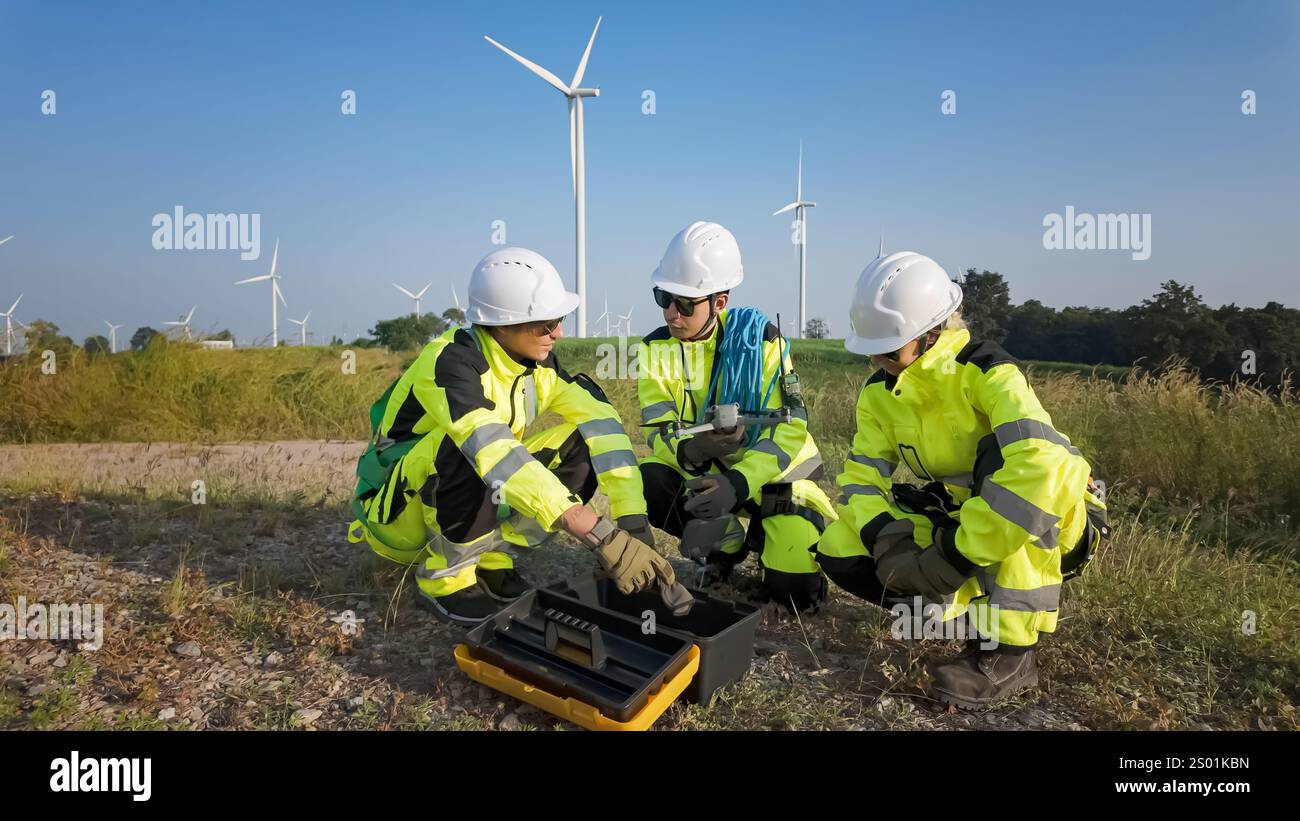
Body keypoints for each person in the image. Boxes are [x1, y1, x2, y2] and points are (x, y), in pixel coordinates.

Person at [817, 250, 1107, 708]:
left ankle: (1010, 652)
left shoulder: (989, 372)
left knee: (1008, 472)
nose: (878, 360)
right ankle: (961, 619)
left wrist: (954, 553)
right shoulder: (879, 394)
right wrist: (883, 535)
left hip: (1056, 515)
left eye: (889, 349)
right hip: (966, 518)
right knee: (838, 543)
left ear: (931, 333)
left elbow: (1043, 468)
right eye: (871, 349)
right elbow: (860, 478)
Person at [348, 247, 687, 625]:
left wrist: (632, 521)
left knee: (584, 443)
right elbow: (488, 447)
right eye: (545, 323)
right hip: (397, 513)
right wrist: (596, 531)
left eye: (558, 319)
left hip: (457, 491)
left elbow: (602, 423)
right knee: (472, 449)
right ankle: (445, 579)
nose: (558, 332)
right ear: (500, 325)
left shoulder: (537, 365)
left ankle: (492, 558)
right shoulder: (450, 363)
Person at [636, 221, 837, 612]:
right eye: (664, 297)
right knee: (648, 482)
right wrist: (692, 450)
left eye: (686, 303)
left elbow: (790, 429)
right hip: (711, 476)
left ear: (720, 302)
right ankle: (724, 547)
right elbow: (657, 429)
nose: (672, 314)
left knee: (794, 596)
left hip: (778, 479)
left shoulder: (762, 341)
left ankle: (772, 535)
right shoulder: (656, 349)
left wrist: (738, 483)